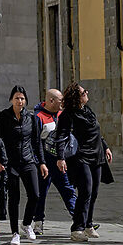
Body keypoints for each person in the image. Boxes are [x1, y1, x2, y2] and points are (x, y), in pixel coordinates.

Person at [55, 83, 112, 242]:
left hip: (97, 155)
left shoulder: (88, 111)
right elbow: (61, 136)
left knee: (93, 192)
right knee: (85, 191)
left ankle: (88, 224)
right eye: (83, 92)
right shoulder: (68, 115)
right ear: (76, 97)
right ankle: (77, 228)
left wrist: (105, 147)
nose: (87, 93)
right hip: (81, 157)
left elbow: (96, 132)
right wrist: (60, 157)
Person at [0, 89, 47, 245]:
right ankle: (15, 233)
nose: (20, 101)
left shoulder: (31, 118)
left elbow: (37, 142)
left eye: (23, 99)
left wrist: (42, 163)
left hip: (28, 161)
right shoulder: (4, 117)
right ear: (11, 99)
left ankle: (26, 224)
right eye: (17, 98)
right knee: (14, 198)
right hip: (11, 163)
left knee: (35, 195)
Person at [36, 90, 74, 221]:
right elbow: (36, 142)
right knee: (41, 193)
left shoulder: (62, 114)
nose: (63, 103)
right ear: (51, 101)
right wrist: (41, 162)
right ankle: (38, 221)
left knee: (68, 189)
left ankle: (80, 220)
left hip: (59, 160)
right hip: (44, 162)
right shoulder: (38, 116)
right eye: (60, 100)